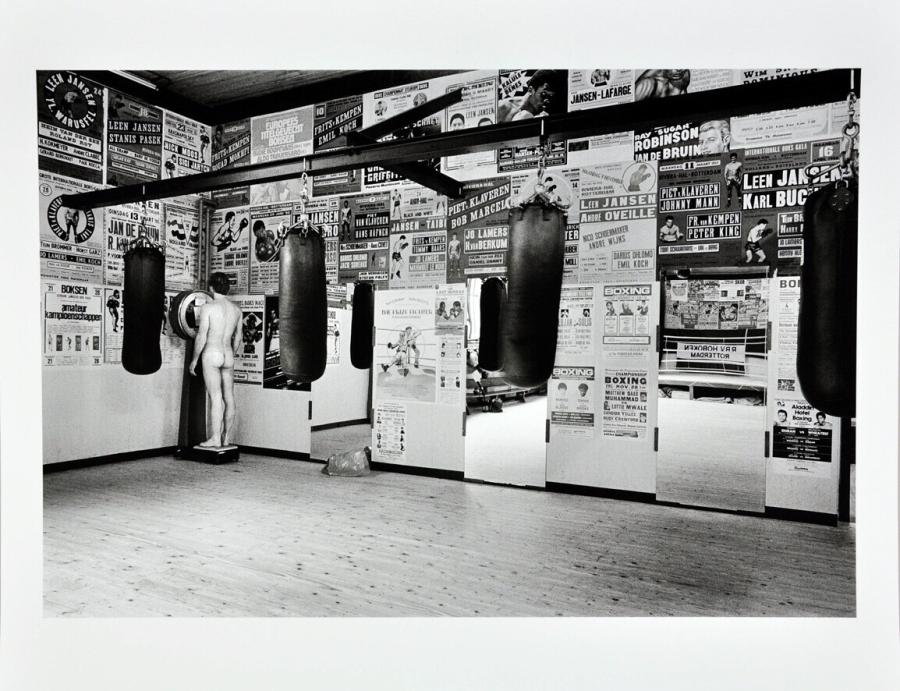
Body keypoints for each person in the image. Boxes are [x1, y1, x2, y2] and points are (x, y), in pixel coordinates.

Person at [189, 272, 243, 449]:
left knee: (216, 397)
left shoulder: (209, 308)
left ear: (211, 288)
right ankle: (226, 437)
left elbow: (202, 336)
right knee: (229, 397)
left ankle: (215, 439)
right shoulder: (236, 310)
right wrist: (231, 354)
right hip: (228, 355)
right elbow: (238, 339)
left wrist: (194, 360)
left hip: (212, 353)